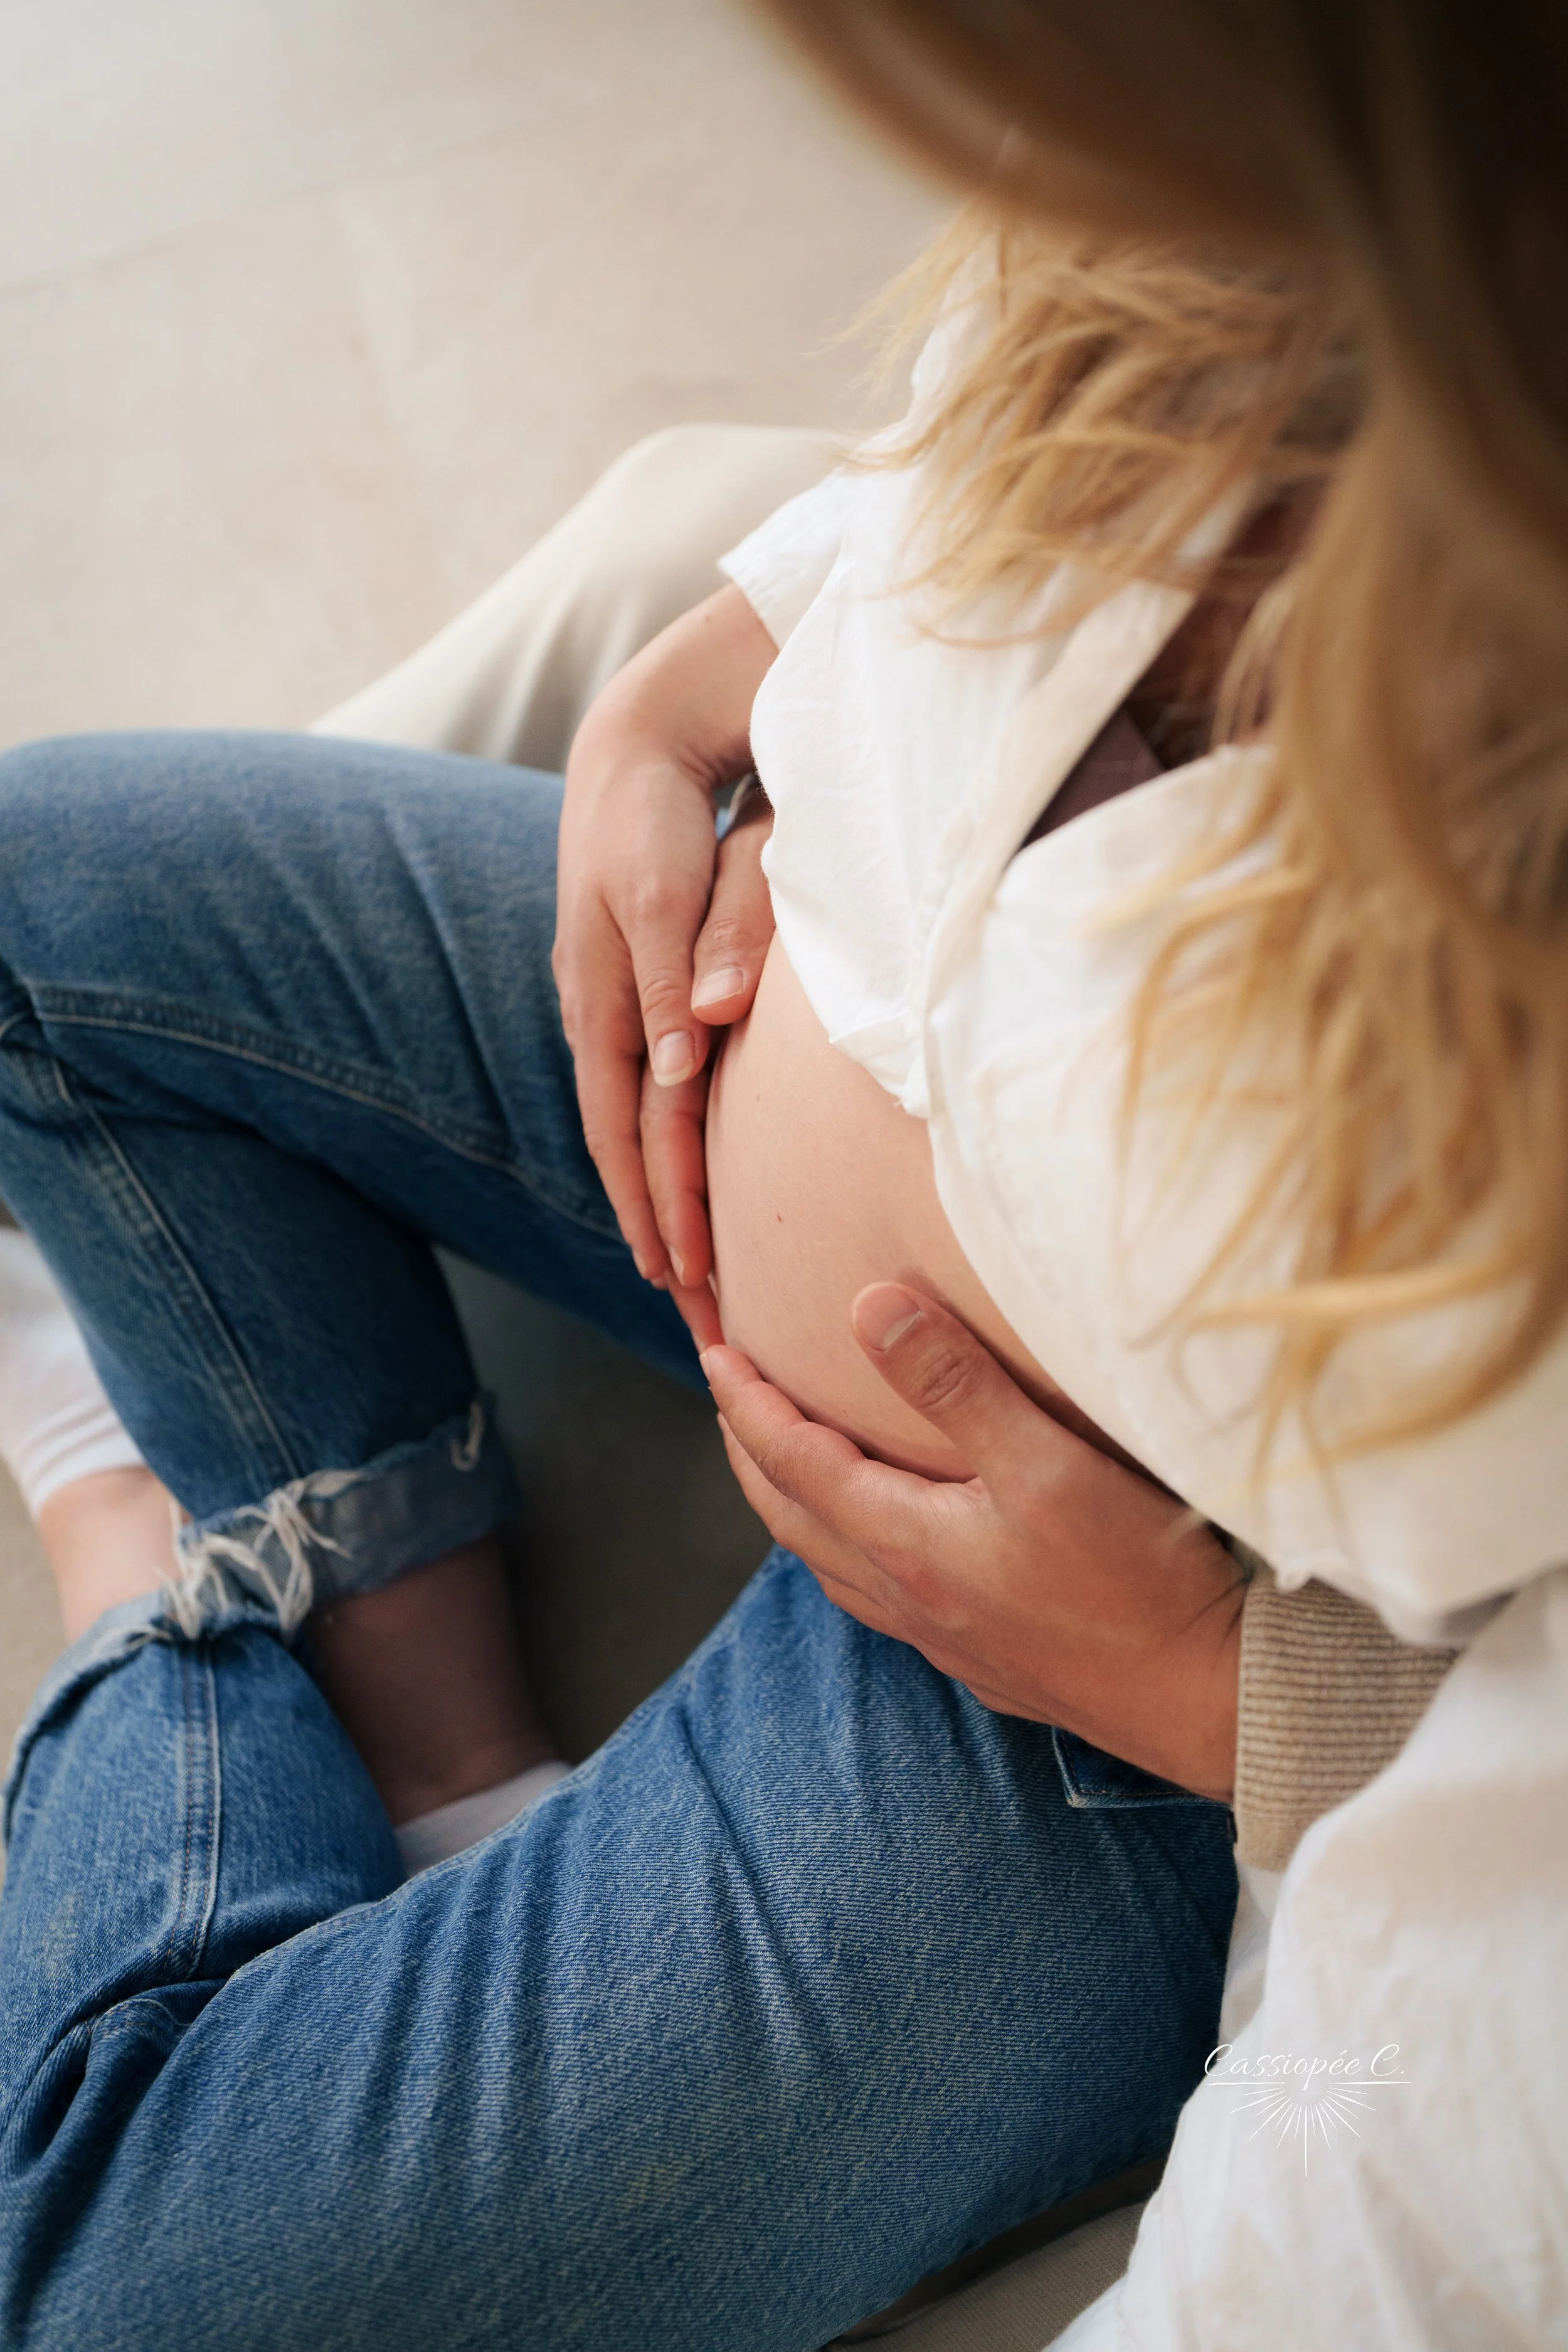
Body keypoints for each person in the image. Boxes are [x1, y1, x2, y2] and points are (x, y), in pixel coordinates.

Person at [0, 8, 1562, 2352]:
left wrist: (1242, 1700)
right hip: (726, 1029)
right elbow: (943, 447)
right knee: (38, 913)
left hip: (1080, 1663)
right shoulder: (1244, 182)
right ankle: (452, 1754)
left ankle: (134, 1525)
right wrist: (703, 676)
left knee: (107, 2283)